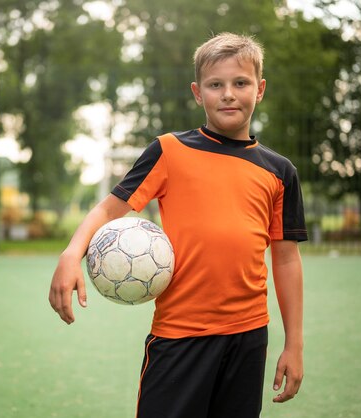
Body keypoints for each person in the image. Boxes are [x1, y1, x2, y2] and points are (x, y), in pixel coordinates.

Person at [49, 32, 307, 418]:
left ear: (261, 89)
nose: (228, 94)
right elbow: (108, 209)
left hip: (248, 337)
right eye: (215, 84)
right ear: (197, 92)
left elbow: (286, 260)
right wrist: (72, 253)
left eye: (241, 83)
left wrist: (295, 344)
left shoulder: (280, 172)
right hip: (179, 336)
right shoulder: (170, 151)